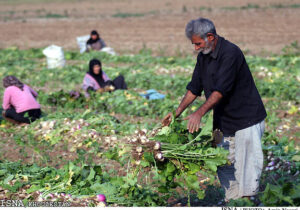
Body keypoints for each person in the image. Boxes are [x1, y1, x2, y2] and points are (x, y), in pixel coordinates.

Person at [162, 18, 267, 201]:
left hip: (246, 119)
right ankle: (233, 202)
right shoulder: (203, 57)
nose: (195, 48)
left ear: (210, 36)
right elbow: (194, 87)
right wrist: (176, 113)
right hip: (224, 122)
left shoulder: (231, 53)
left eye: (198, 43)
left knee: (247, 170)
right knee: (223, 163)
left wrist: (199, 113)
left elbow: (221, 91)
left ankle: (248, 202)